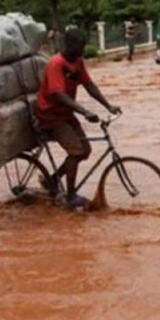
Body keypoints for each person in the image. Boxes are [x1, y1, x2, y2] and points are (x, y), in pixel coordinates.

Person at [35, 29, 121, 208]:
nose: (82, 50)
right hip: (50, 114)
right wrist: (85, 112)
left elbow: (89, 86)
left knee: (85, 151)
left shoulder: (78, 62)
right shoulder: (56, 64)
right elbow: (59, 95)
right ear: (70, 45)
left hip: (66, 113)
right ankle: (70, 196)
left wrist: (108, 105)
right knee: (76, 152)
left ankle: (52, 179)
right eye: (80, 46)